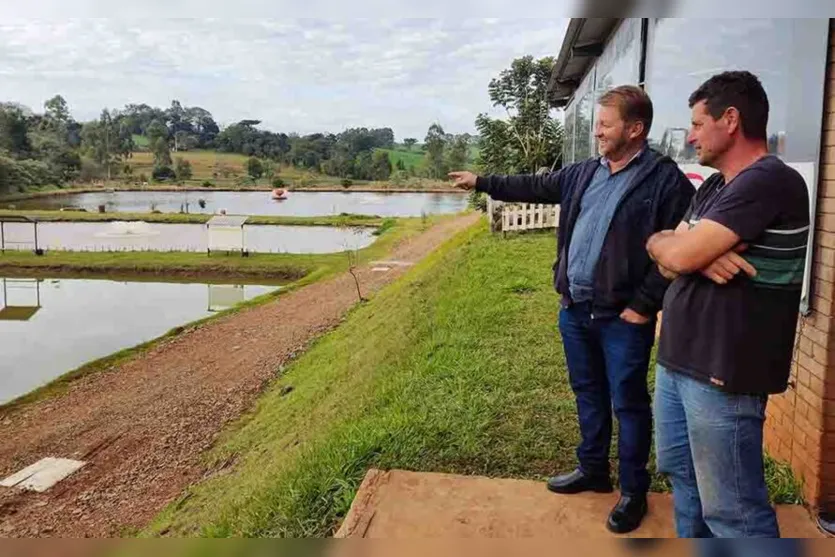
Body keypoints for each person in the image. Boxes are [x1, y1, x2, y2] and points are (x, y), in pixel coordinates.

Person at [450, 85, 695, 534]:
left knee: (629, 403)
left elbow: (677, 252)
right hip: (576, 310)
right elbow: (537, 185)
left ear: (635, 129)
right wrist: (482, 181)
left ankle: (633, 491)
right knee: (588, 393)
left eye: (605, 124)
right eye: (597, 123)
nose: (597, 131)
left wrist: (642, 307)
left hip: (623, 319)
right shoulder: (585, 172)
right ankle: (594, 470)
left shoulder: (665, 181)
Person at [647, 71, 810, 538]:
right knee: (685, 483)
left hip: (724, 373)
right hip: (680, 361)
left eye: (698, 123)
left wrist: (684, 253)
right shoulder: (713, 187)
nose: (691, 134)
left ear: (731, 119)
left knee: (733, 510)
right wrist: (689, 254)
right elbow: (664, 256)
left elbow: (676, 253)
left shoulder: (768, 181)